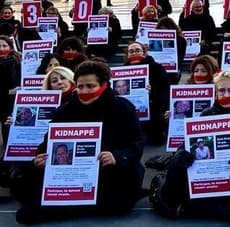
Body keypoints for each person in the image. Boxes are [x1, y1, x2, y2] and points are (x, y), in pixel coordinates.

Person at [15, 60, 145, 224]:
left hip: (111, 170)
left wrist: (117, 156)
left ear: (103, 85)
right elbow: (48, 142)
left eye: (90, 86)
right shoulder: (65, 110)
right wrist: (40, 157)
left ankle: (63, 208)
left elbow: (137, 143)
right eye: (80, 86)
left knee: (120, 197)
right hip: (70, 175)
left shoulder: (122, 107)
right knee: (24, 177)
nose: (84, 91)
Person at [151, 70, 230, 223]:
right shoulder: (207, 114)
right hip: (208, 173)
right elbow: (187, 145)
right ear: (215, 92)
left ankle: (186, 206)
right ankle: (225, 209)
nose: (226, 94)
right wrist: (180, 154)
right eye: (221, 90)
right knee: (175, 170)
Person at [125, 41, 170, 145]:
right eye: (131, 51)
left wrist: (152, 91)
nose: (134, 53)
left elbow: (166, 90)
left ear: (144, 53)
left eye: (137, 50)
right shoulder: (121, 71)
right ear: (127, 55)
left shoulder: (156, 68)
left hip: (154, 107)